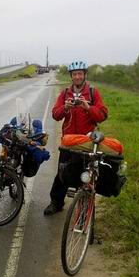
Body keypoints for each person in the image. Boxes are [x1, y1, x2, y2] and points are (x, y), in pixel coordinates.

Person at [43, 61, 108, 215]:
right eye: (74, 74)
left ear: (85, 75)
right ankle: (56, 203)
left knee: (85, 175)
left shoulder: (93, 92)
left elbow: (103, 114)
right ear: (71, 76)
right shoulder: (65, 93)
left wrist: (88, 108)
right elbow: (55, 115)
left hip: (86, 142)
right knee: (62, 173)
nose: (77, 77)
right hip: (69, 141)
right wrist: (65, 107)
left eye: (80, 74)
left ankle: (84, 205)